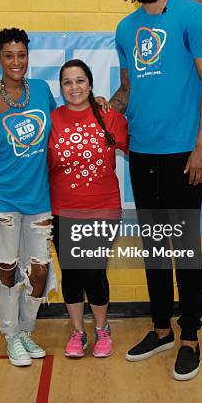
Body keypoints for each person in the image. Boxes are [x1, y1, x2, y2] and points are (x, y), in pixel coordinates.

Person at [110, 0, 202, 380]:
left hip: (183, 154)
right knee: (155, 249)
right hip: (141, 153)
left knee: (185, 249)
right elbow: (127, 89)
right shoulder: (125, 28)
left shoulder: (192, 15)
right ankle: (161, 330)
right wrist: (104, 108)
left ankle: (190, 335)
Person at [0, 27, 57, 367]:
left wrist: (91, 103)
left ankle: (26, 330)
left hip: (39, 201)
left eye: (21, 55)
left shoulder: (41, 91)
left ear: (27, 57)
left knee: (40, 271)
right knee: (7, 269)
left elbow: (60, 125)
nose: (16, 62)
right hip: (3, 201)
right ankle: (10, 335)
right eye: (9, 56)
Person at [48, 60, 128, 359]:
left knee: (93, 273)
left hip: (103, 209)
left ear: (90, 84)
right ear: (61, 87)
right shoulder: (51, 119)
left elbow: (144, 146)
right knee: (71, 274)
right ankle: (78, 331)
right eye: (67, 82)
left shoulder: (108, 118)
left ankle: (103, 329)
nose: (74, 87)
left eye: (80, 81)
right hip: (62, 209)